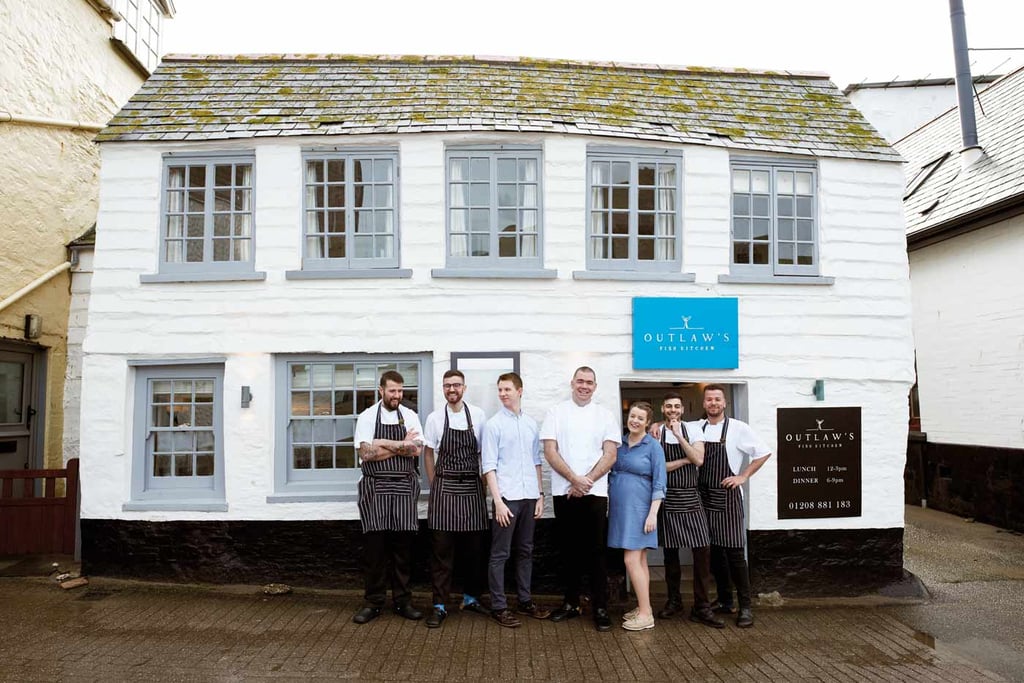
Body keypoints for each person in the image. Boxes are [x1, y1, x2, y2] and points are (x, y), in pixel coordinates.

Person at [541, 366, 621, 632]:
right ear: (572, 383)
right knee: (568, 551)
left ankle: (600, 607)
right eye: (580, 381)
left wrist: (585, 481)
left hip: (595, 493)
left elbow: (610, 454)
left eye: (589, 382)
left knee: (596, 552)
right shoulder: (556, 412)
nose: (584, 386)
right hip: (565, 492)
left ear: (595, 386)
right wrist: (574, 479)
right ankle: (570, 603)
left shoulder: (605, 415)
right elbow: (550, 451)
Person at [351, 370, 425, 624]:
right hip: (375, 488)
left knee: (403, 550)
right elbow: (366, 454)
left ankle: (403, 601)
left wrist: (382, 443)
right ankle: (373, 602)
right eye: (392, 391)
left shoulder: (411, 416)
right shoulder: (368, 416)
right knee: (375, 551)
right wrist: (398, 445)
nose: (397, 395)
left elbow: (415, 450)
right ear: (381, 390)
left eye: (400, 391)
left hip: (404, 488)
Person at [697, 384, 772, 628]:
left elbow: (763, 452)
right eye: (709, 399)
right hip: (704, 498)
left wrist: (743, 476)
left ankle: (746, 606)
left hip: (728, 498)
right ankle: (726, 601)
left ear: (725, 402)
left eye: (717, 399)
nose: (713, 403)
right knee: (715, 554)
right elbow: (670, 430)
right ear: (704, 403)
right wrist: (656, 427)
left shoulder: (739, 428)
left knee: (735, 555)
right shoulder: (697, 427)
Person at [481, 372, 551, 628]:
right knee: (500, 554)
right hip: (507, 499)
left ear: (520, 391)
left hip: (529, 497)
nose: (503, 394)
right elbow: (488, 466)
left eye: (507, 389)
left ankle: (525, 601)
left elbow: (536, 461)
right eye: (500, 390)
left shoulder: (531, 424)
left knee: (525, 551)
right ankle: (499, 607)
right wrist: (497, 502)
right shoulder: (494, 425)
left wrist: (540, 494)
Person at [649, 393, 724, 628]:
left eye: (677, 406)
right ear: (663, 408)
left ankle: (701, 607)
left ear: (682, 410)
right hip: (668, 497)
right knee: (670, 555)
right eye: (669, 406)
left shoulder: (692, 430)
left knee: (702, 551)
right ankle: (674, 601)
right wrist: (684, 461)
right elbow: (658, 467)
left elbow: (699, 459)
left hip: (691, 496)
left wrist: (679, 436)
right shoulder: (656, 432)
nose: (672, 409)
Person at [422, 369, 489, 628]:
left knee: (474, 551)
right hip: (444, 488)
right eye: (448, 385)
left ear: (464, 387)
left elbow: (485, 453)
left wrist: (482, 483)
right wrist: (434, 482)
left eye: (456, 385)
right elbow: (428, 453)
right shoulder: (435, 418)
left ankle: (471, 598)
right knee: (441, 553)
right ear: (443, 388)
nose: (452, 389)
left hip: (472, 488)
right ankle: (439, 605)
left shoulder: (479, 416)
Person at [607, 402, 666, 631]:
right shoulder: (619, 444)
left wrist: (653, 514)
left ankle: (645, 615)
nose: (635, 421)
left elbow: (660, 482)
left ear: (648, 422)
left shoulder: (653, 447)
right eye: (632, 416)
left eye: (640, 418)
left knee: (631, 560)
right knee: (639, 561)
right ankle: (645, 607)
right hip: (621, 510)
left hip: (640, 510)